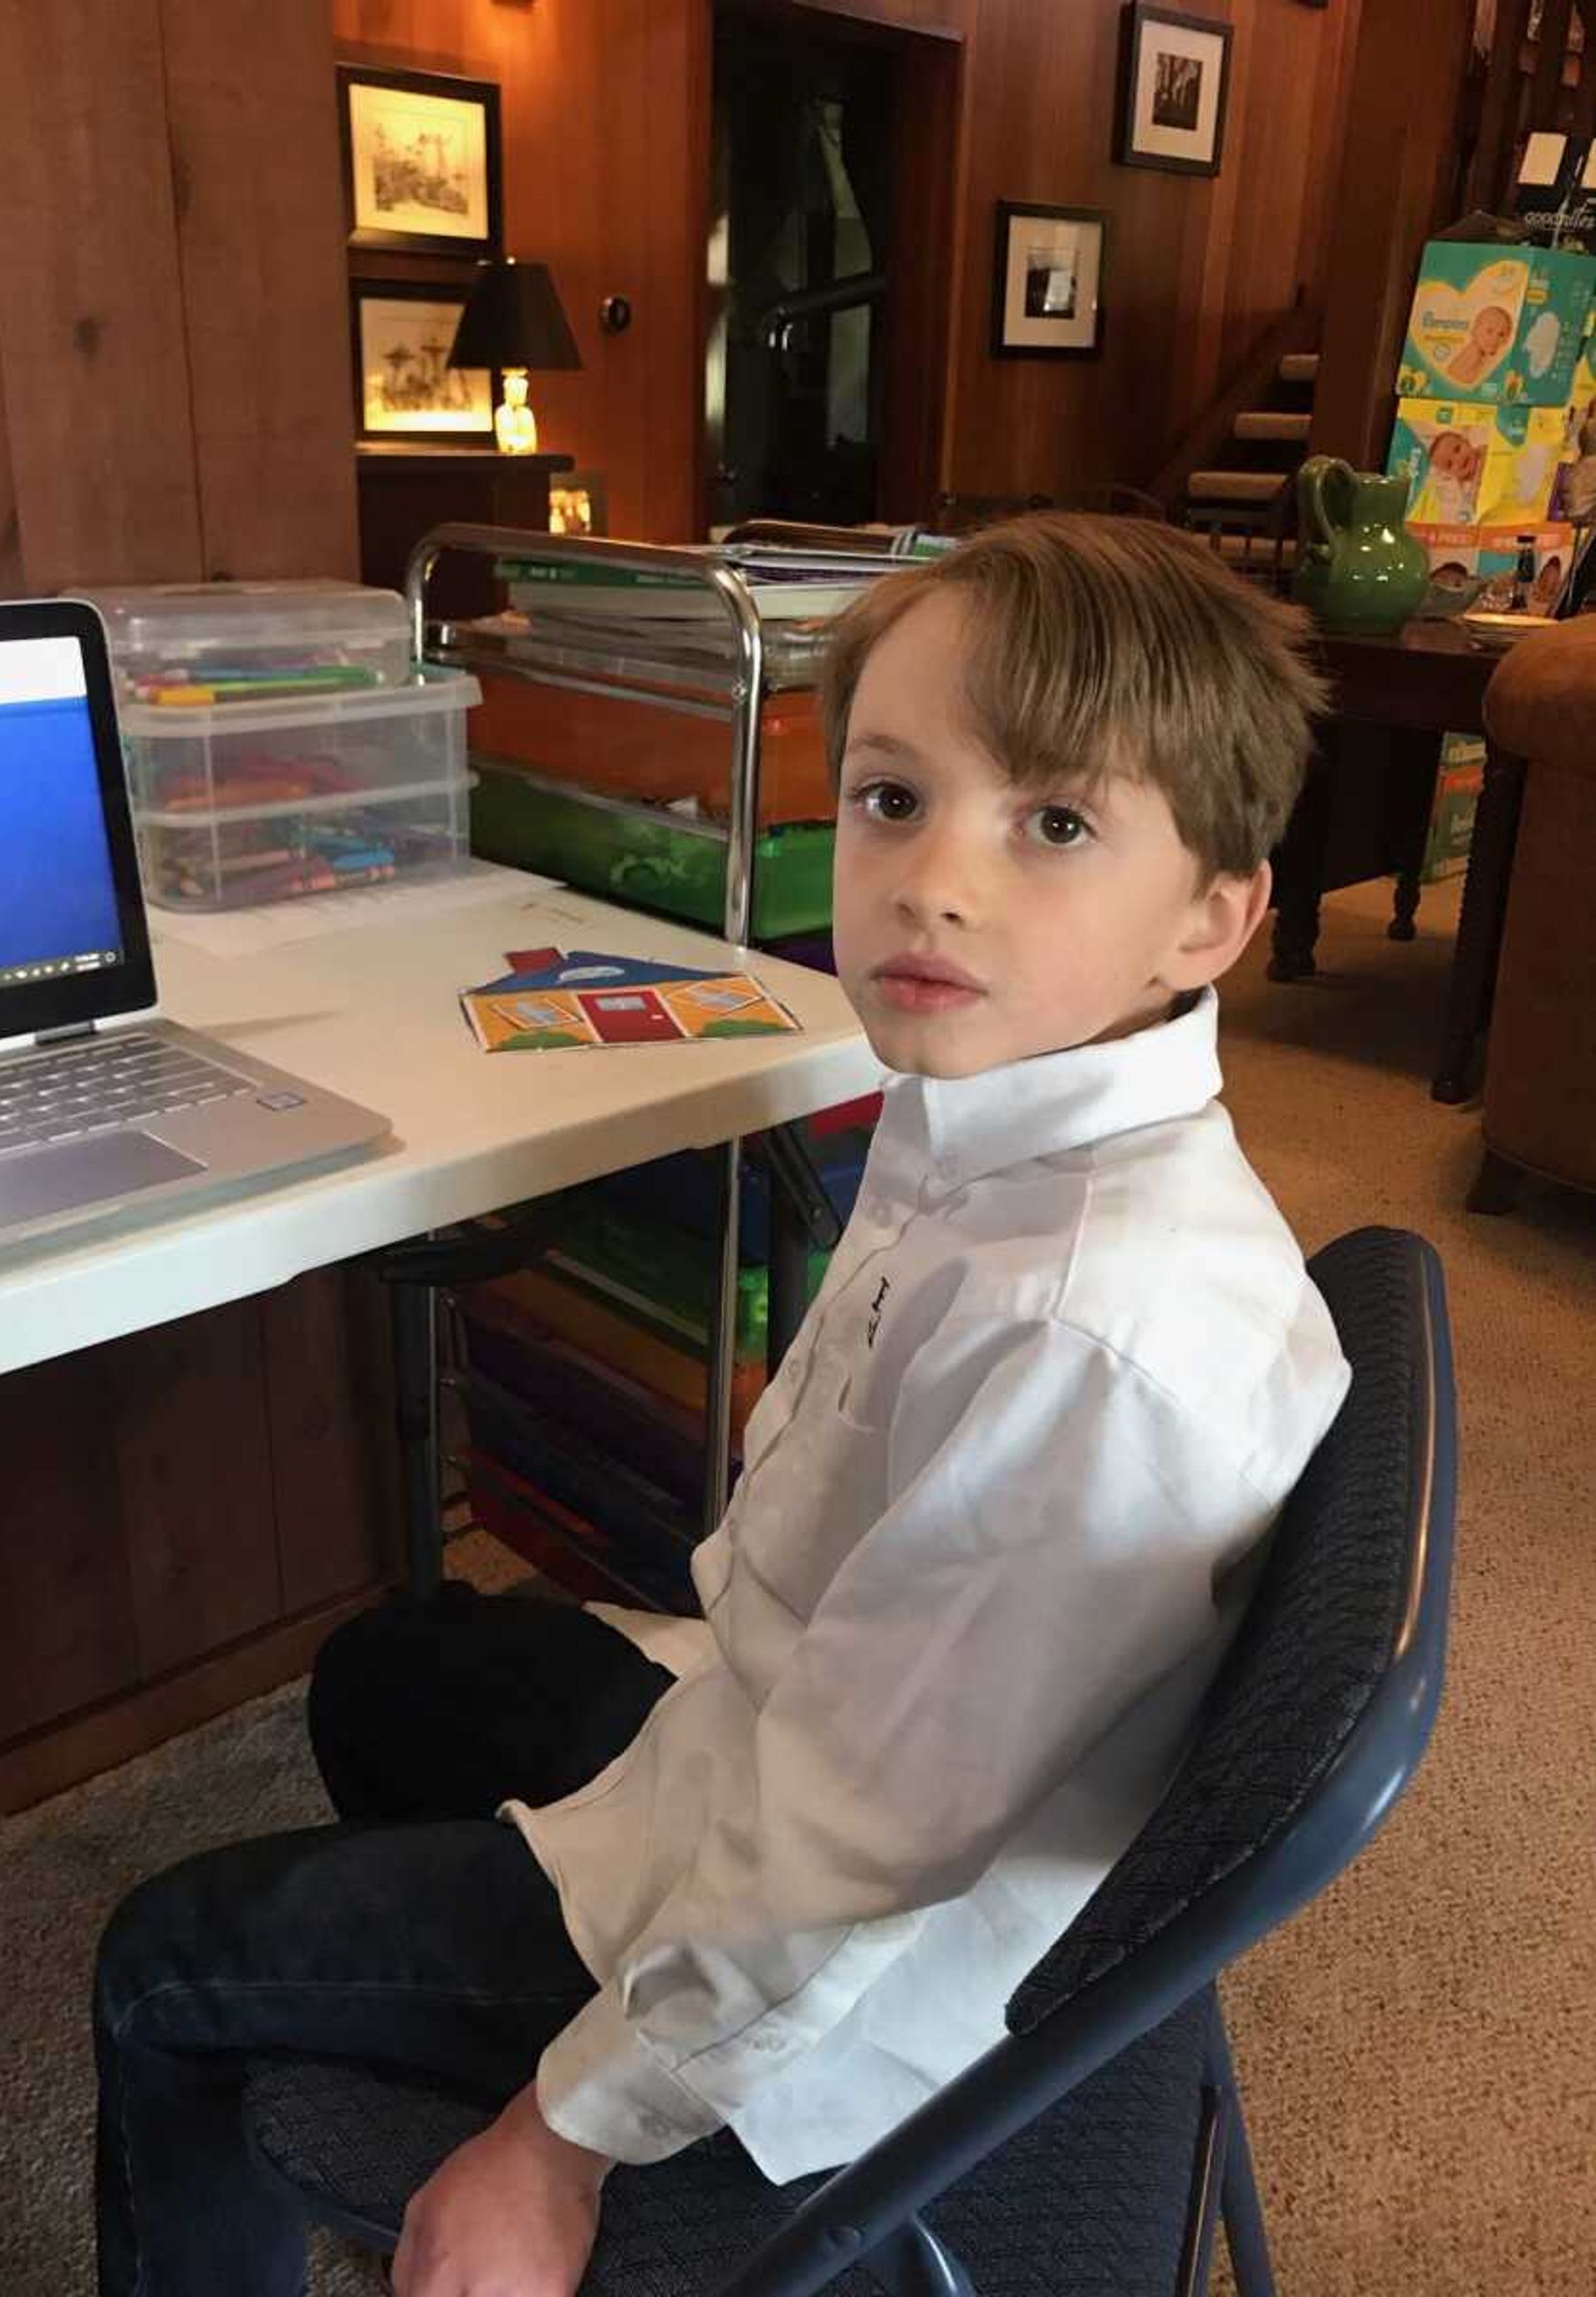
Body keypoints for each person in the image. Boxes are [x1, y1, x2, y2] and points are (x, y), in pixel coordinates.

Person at [92, 516, 1352, 2297]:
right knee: (389, 1671)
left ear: (1214, 916)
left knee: (162, 1959)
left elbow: (850, 1864)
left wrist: (560, 2134)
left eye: (1054, 822)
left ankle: (480, 2102)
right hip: (775, 1737)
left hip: (840, 1966)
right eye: (895, 797)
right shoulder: (999, 1104)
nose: (937, 881)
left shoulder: (1087, 1333)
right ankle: (414, 2016)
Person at [1446, 302, 1513, 388]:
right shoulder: (1473, 353)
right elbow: (1460, 378)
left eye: (1501, 334)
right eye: (1489, 331)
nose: (1495, 339)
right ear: (1475, 330)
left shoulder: (1480, 353)